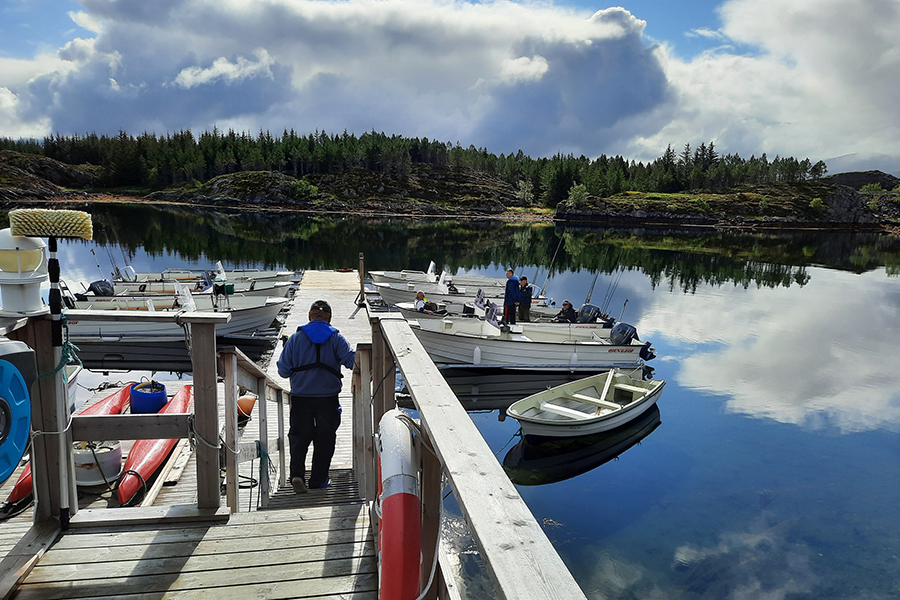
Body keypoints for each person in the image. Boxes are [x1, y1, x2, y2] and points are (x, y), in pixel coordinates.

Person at [277, 300, 356, 493]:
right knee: (325, 438)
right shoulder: (337, 338)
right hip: (328, 398)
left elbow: (283, 371)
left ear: (310, 316)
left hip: (301, 397)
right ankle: (318, 480)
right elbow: (352, 361)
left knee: (299, 436)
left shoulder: (295, 339)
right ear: (329, 318)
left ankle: (297, 474)